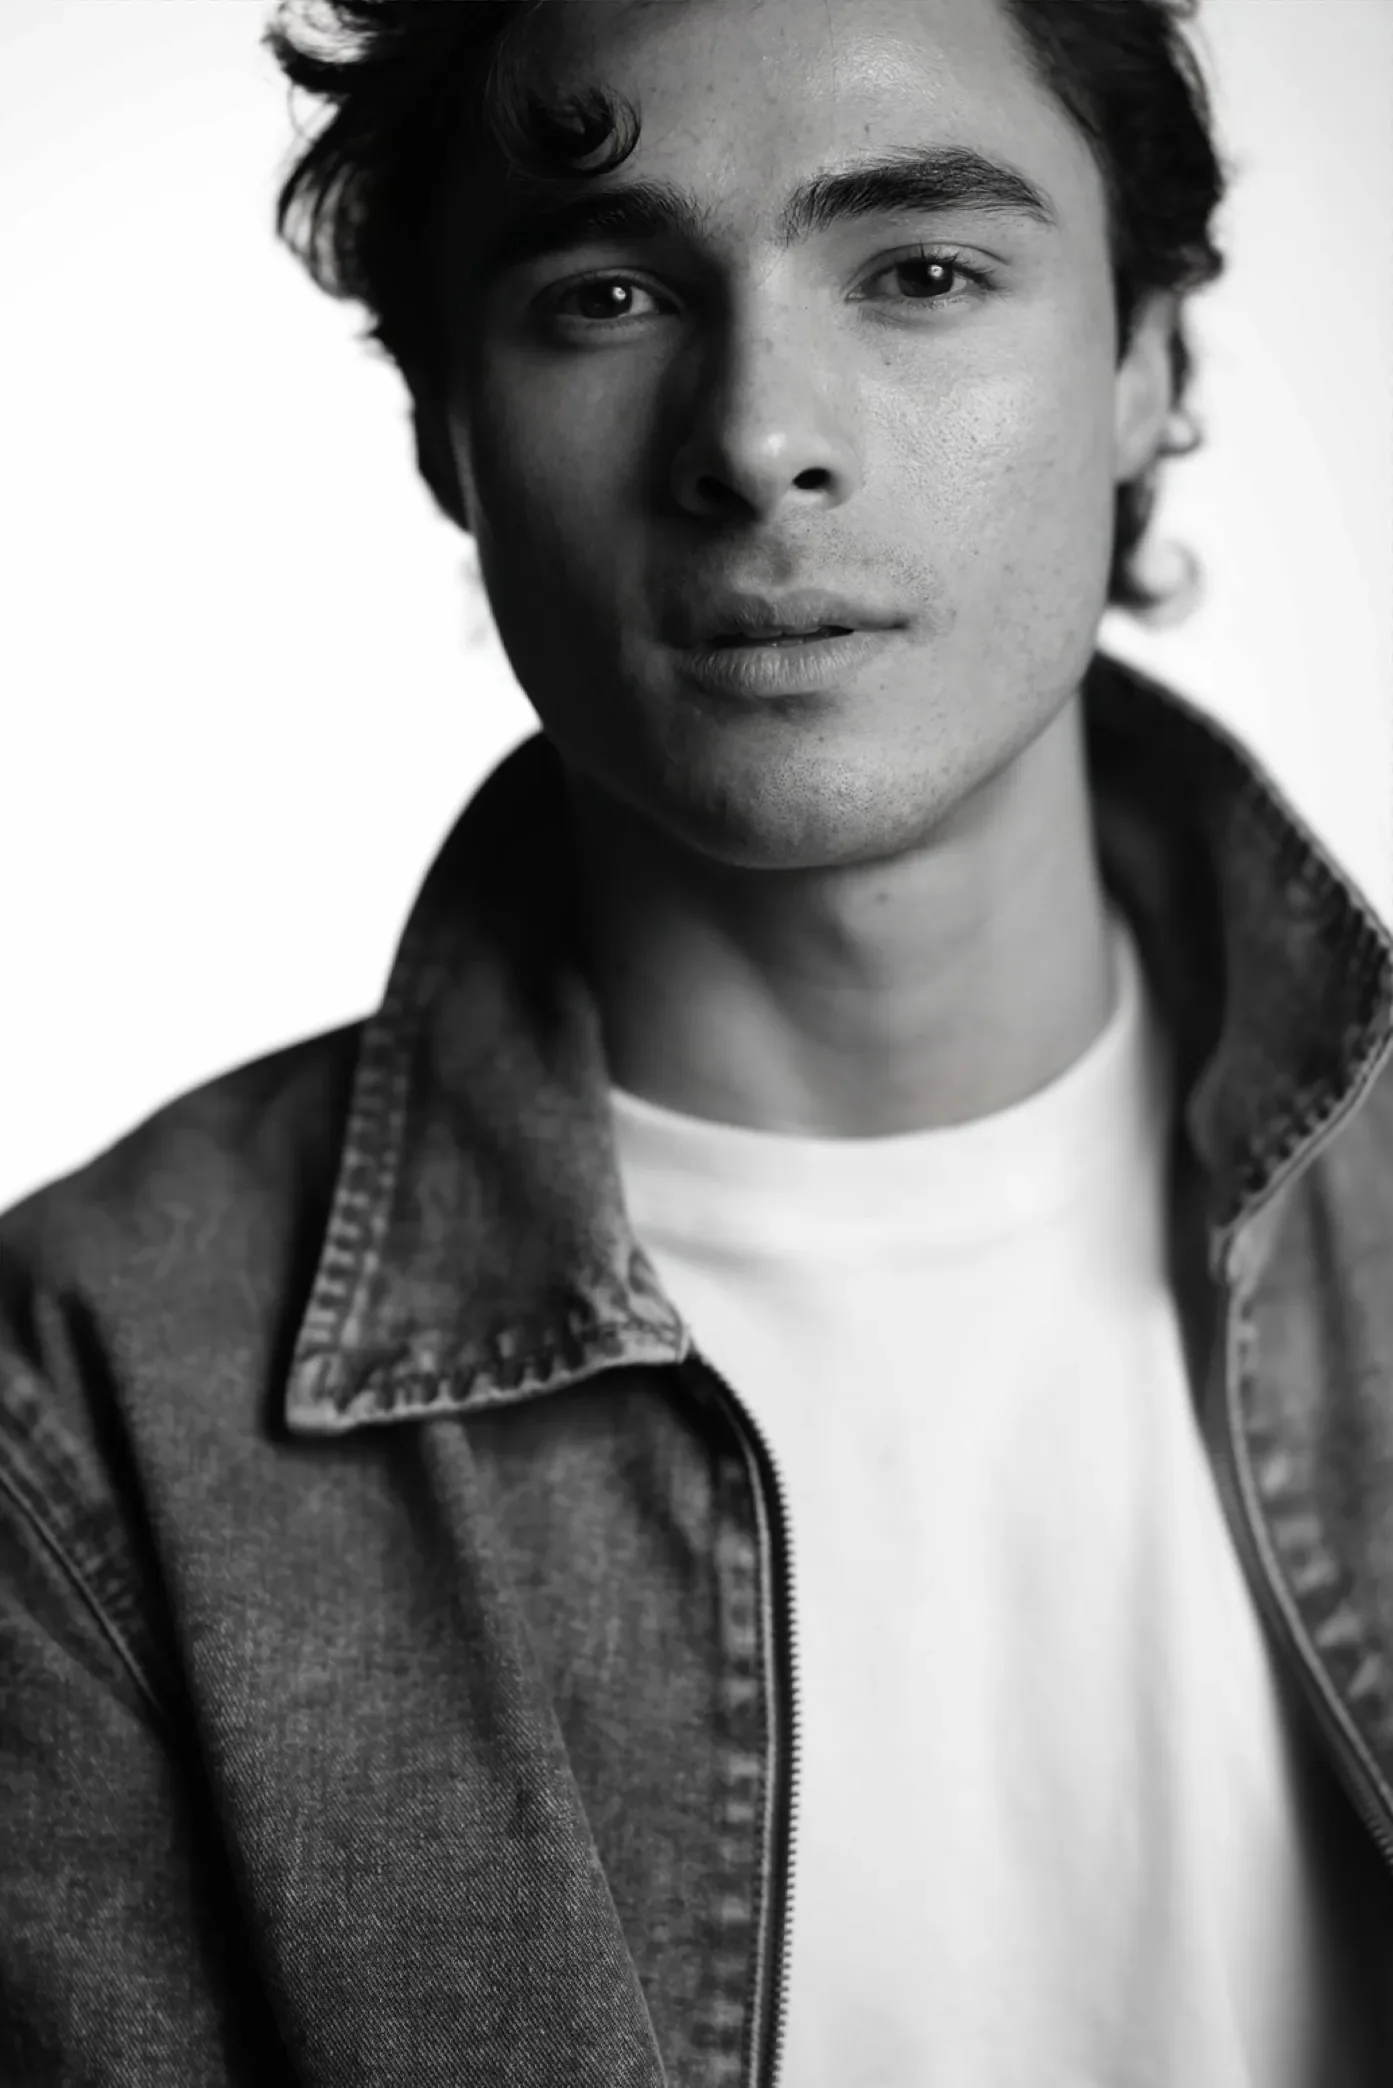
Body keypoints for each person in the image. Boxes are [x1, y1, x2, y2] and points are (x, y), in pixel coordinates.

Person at [1, 0, 1390, 2080]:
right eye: (608, 295)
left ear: (1147, 365)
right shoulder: (84, 1415)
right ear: (445, 430)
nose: (757, 439)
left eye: (922, 272)